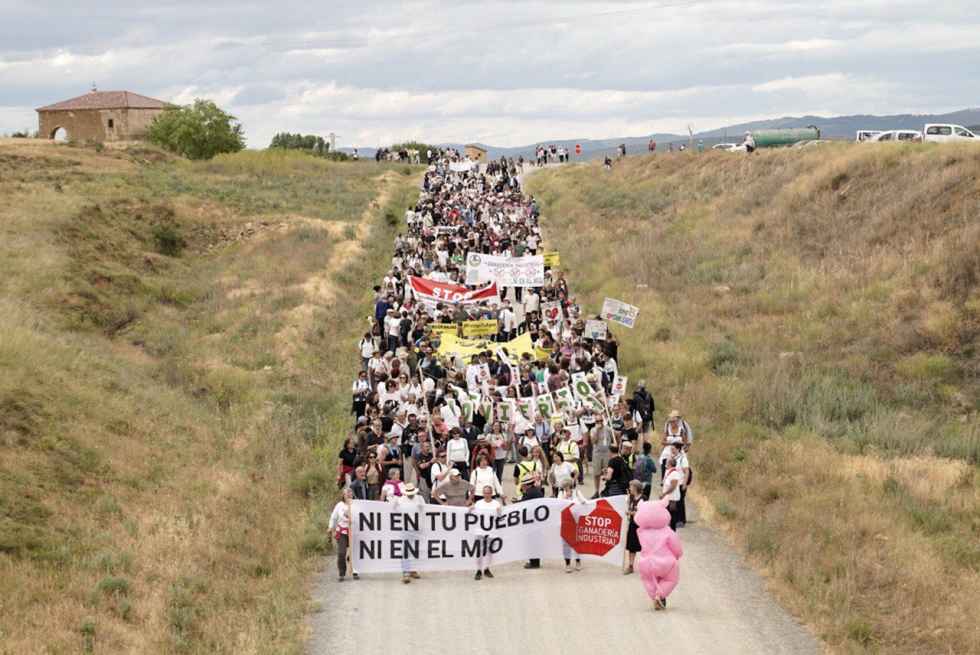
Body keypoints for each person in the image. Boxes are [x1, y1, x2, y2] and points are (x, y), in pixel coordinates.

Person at [392, 483, 424, 583]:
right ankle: (406, 572)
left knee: (415, 550)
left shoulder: (419, 498)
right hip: (405, 528)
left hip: (416, 528)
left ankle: (412, 569)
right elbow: (394, 511)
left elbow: (424, 511)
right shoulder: (400, 500)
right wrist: (394, 503)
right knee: (405, 550)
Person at [471, 484, 502, 579]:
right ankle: (479, 570)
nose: (487, 494)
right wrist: (469, 509)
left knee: (489, 552)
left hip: (491, 532)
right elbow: (470, 514)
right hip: (480, 531)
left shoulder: (496, 504)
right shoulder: (478, 503)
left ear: (491, 493)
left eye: (488, 493)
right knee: (479, 551)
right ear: (483, 493)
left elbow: (501, 517)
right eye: (485, 493)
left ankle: (487, 568)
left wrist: (499, 512)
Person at [328, 488, 358, 581]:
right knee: (341, 553)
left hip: (354, 532)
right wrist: (330, 527)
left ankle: (355, 571)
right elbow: (333, 517)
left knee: (355, 553)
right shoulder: (339, 506)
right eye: (347, 494)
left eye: (350, 494)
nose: (349, 495)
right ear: (343, 496)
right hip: (342, 532)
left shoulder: (356, 504)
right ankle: (341, 573)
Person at [557, 478, 586, 572]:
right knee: (565, 543)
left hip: (576, 521)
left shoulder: (577, 492)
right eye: (564, 487)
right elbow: (558, 504)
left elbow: (584, 501)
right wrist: (565, 497)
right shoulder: (561, 494)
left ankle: (578, 561)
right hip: (566, 521)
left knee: (577, 542)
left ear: (571, 486)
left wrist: (581, 501)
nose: (565, 489)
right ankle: (567, 564)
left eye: (567, 487)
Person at [522, 471, 546, 569]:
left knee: (532, 542)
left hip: (532, 521)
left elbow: (523, 505)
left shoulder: (529, 493)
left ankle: (534, 563)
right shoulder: (537, 490)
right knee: (536, 542)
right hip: (538, 521)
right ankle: (535, 562)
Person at [624, 480, 643, 574]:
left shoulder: (642, 499)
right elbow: (626, 506)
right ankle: (631, 565)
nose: (629, 488)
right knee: (632, 546)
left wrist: (630, 513)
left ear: (635, 488)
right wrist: (628, 497)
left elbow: (641, 512)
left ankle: (648, 565)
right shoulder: (631, 498)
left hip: (640, 526)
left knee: (644, 546)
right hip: (632, 525)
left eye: (631, 487)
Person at [660, 457, 684, 530]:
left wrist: (664, 494)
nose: (665, 463)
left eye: (667, 462)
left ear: (670, 464)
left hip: (672, 498)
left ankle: (672, 530)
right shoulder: (668, 471)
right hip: (668, 497)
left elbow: (673, 486)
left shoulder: (675, 473)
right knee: (667, 515)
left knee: (672, 515)